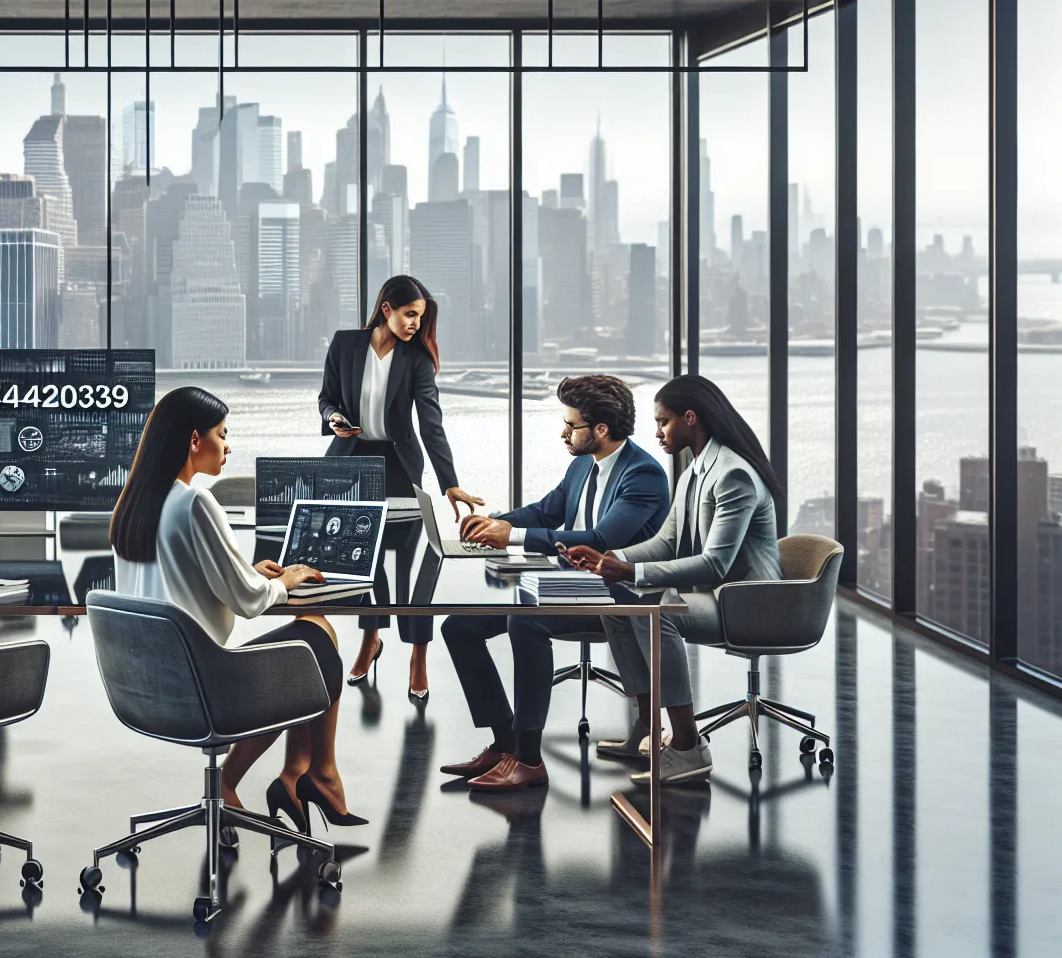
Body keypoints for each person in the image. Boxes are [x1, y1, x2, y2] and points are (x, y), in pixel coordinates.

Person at [112, 387, 367, 832]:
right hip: (202, 689)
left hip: (144, 687)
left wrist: (247, 572)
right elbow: (248, 602)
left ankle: (300, 776)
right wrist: (283, 580)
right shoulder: (194, 502)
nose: (228, 446)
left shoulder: (133, 507)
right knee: (319, 638)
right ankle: (299, 776)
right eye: (222, 434)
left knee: (311, 637)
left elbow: (177, 581)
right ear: (195, 441)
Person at [437, 375, 670, 790]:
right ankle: (504, 742)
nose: (564, 432)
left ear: (600, 429)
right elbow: (547, 512)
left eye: (571, 424)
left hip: (619, 596)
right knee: (459, 625)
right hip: (569, 586)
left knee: (526, 621)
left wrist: (511, 538)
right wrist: (499, 522)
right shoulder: (582, 463)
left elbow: (602, 541)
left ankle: (528, 760)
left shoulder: (644, 476)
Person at [565, 374, 783, 785]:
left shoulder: (732, 475)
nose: (658, 432)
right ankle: (648, 729)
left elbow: (716, 564)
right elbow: (666, 541)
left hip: (749, 603)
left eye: (663, 422)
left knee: (653, 608)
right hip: (719, 596)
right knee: (619, 602)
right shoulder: (694, 472)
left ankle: (687, 745)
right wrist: (611, 560)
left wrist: (630, 571)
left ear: (689, 418)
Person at [318, 274, 484, 700]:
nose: (415, 324)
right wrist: (334, 418)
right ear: (387, 309)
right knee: (366, 562)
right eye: (410, 314)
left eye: (421, 317)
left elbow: (432, 424)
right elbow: (326, 398)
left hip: (399, 466)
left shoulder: (418, 360)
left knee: (411, 569)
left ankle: (418, 655)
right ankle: (371, 639)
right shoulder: (344, 344)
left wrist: (450, 484)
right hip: (352, 463)